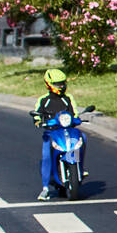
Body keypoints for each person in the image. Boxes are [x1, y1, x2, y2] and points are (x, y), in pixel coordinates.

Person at [33, 68, 85, 200]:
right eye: (57, 84)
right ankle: (45, 188)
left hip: (68, 130)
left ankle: (79, 167)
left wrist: (77, 119)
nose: (61, 86)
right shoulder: (44, 100)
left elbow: (75, 113)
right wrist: (39, 121)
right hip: (52, 133)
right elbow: (37, 114)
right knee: (46, 156)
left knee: (82, 139)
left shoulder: (68, 99)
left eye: (62, 83)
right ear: (48, 84)